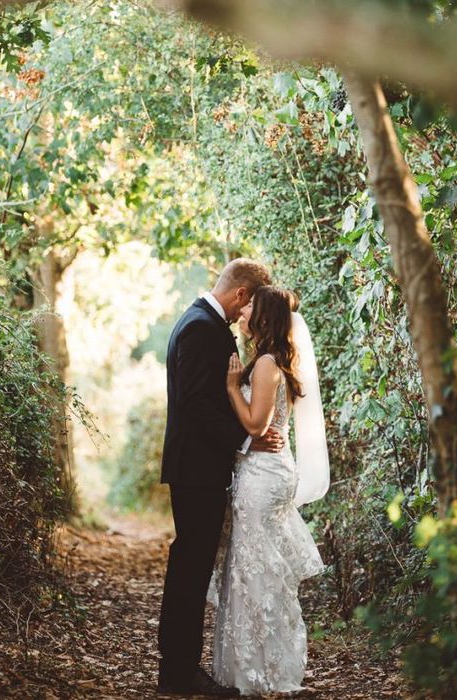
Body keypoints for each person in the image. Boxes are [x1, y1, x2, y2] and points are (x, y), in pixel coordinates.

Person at [157, 258, 281, 697]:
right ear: (243, 294)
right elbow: (194, 405)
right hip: (195, 469)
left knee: (191, 566)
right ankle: (178, 672)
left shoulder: (200, 322)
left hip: (199, 468)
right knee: (190, 568)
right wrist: (246, 440)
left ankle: (179, 669)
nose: (246, 315)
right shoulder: (200, 327)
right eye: (250, 304)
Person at [211, 285, 329, 696]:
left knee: (254, 571)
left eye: (249, 309)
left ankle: (262, 671)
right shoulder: (269, 360)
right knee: (253, 569)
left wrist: (230, 387)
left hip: (263, 477)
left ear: (262, 318)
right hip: (264, 472)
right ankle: (256, 666)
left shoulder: (265, 364)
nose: (241, 313)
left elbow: (257, 426)